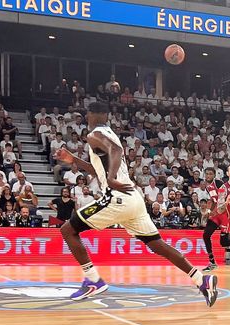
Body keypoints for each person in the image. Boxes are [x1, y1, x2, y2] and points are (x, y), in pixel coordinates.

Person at [54, 102, 217, 306]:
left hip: (117, 197)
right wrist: (74, 160)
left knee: (68, 230)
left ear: (93, 115)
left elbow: (114, 152)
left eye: (88, 115)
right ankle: (202, 280)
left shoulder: (94, 134)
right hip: (134, 199)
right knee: (158, 245)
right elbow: (99, 171)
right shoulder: (109, 133)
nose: (87, 118)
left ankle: (93, 280)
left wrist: (112, 177)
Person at [201, 167, 228, 272]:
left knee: (224, 242)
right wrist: (208, 212)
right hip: (217, 214)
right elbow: (213, 200)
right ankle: (212, 262)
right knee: (206, 235)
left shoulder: (218, 183)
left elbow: (225, 198)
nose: (208, 176)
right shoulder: (208, 187)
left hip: (225, 214)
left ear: (214, 175)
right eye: (206, 174)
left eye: (210, 174)